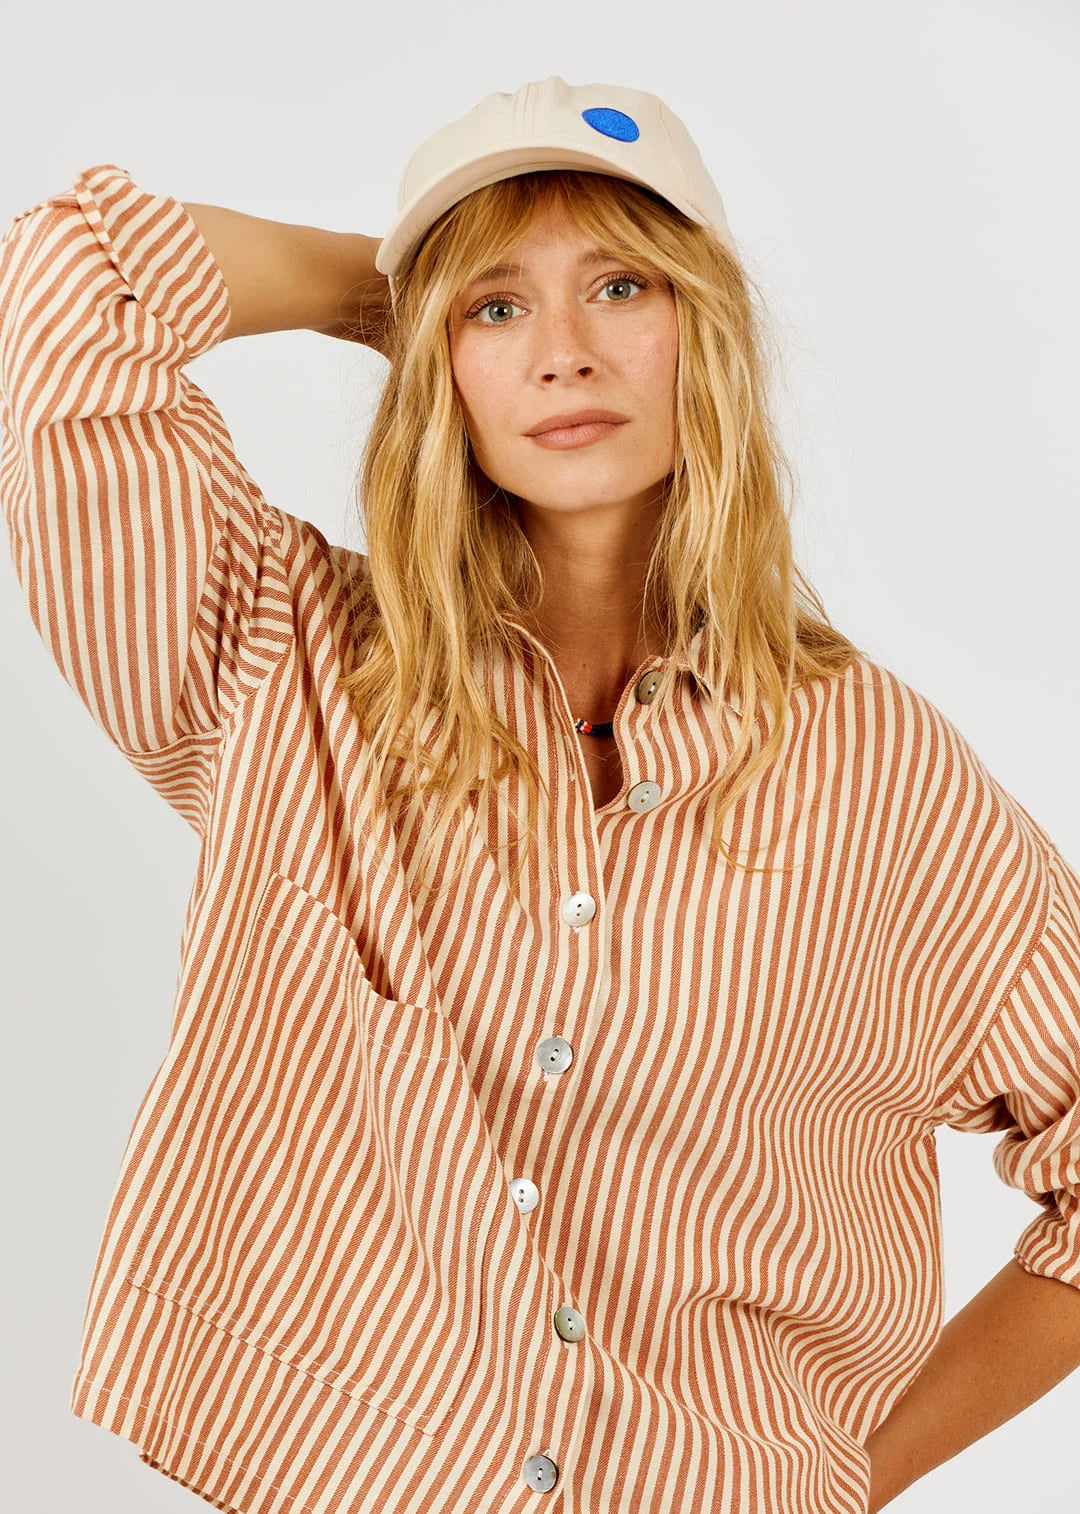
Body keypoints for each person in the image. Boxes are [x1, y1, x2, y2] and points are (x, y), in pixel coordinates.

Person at [1, 75, 1078, 1514]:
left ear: (709, 332)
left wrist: (855, 1477)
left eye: (621, 286)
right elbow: (62, 292)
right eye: (498, 309)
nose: (563, 353)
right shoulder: (275, 657)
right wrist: (387, 289)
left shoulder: (883, 774)